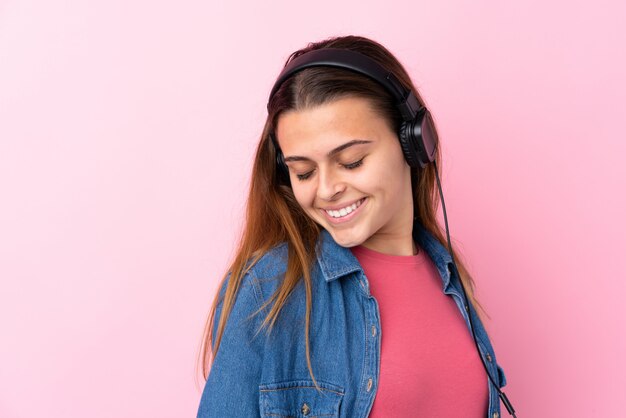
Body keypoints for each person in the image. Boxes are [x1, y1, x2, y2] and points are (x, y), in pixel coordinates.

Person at [196, 35, 512, 418]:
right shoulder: (271, 287)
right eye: (304, 171)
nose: (327, 190)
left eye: (351, 161)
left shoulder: (448, 277)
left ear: (412, 142)